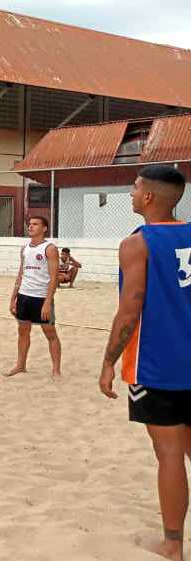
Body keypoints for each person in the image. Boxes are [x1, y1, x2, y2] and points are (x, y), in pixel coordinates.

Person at [99, 165, 191, 561]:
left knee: (169, 454)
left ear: (149, 197)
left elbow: (129, 310)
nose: (132, 192)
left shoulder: (139, 243)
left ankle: (172, 544)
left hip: (158, 365)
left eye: (136, 187)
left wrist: (108, 362)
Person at [6, 216, 61, 380]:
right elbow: (20, 274)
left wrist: (47, 302)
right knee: (23, 332)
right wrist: (13, 298)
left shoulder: (49, 248)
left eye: (35, 224)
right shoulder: (24, 248)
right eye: (30, 224)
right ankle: (20, 365)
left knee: (50, 333)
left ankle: (56, 370)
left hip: (41, 297)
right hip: (24, 296)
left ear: (44, 228)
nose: (31, 227)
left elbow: (54, 278)